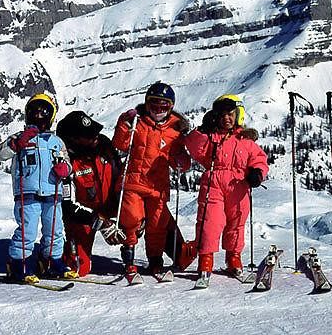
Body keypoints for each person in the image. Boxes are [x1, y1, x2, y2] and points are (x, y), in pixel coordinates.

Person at [112, 82, 196, 277]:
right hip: (133, 181)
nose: (158, 110)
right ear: (146, 104)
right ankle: (129, 256)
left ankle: (155, 260)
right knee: (131, 217)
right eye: (154, 105)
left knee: (158, 224)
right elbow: (120, 143)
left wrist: (181, 159)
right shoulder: (137, 122)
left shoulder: (174, 131)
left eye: (163, 106)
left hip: (158, 187)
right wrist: (125, 123)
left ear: (171, 107)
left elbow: (181, 163)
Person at [184, 94, 269, 282]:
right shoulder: (210, 137)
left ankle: (233, 258)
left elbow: (259, 159)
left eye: (230, 114)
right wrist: (202, 130)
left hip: (239, 185)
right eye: (222, 115)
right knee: (210, 222)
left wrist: (257, 172)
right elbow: (192, 146)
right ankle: (205, 261)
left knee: (236, 222)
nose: (226, 118)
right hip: (213, 181)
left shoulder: (245, 139)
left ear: (238, 114)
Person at [0, 93, 73, 284]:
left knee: (55, 229)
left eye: (43, 111)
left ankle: (51, 261)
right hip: (27, 191)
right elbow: (0, 154)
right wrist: (15, 144)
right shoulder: (19, 137)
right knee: (27, 230)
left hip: (52, 192)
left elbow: (67, 161)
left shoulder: (56, 142)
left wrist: (65, 168)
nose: (39, 115)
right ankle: (18, 264)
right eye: (34, 111)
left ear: (50, 116)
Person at [55, 110, 123, 277]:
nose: (96, 137)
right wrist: (101, 223)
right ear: (74, 139)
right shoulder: (64, 159)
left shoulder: (105, 146)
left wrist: (133, 216)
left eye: (95, 131)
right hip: (83, 217)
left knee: (145, 215)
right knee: (77, 269)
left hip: (112, 206)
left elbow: (122, 178)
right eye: (89, 135)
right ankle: (52, 257)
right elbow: (68, 206)